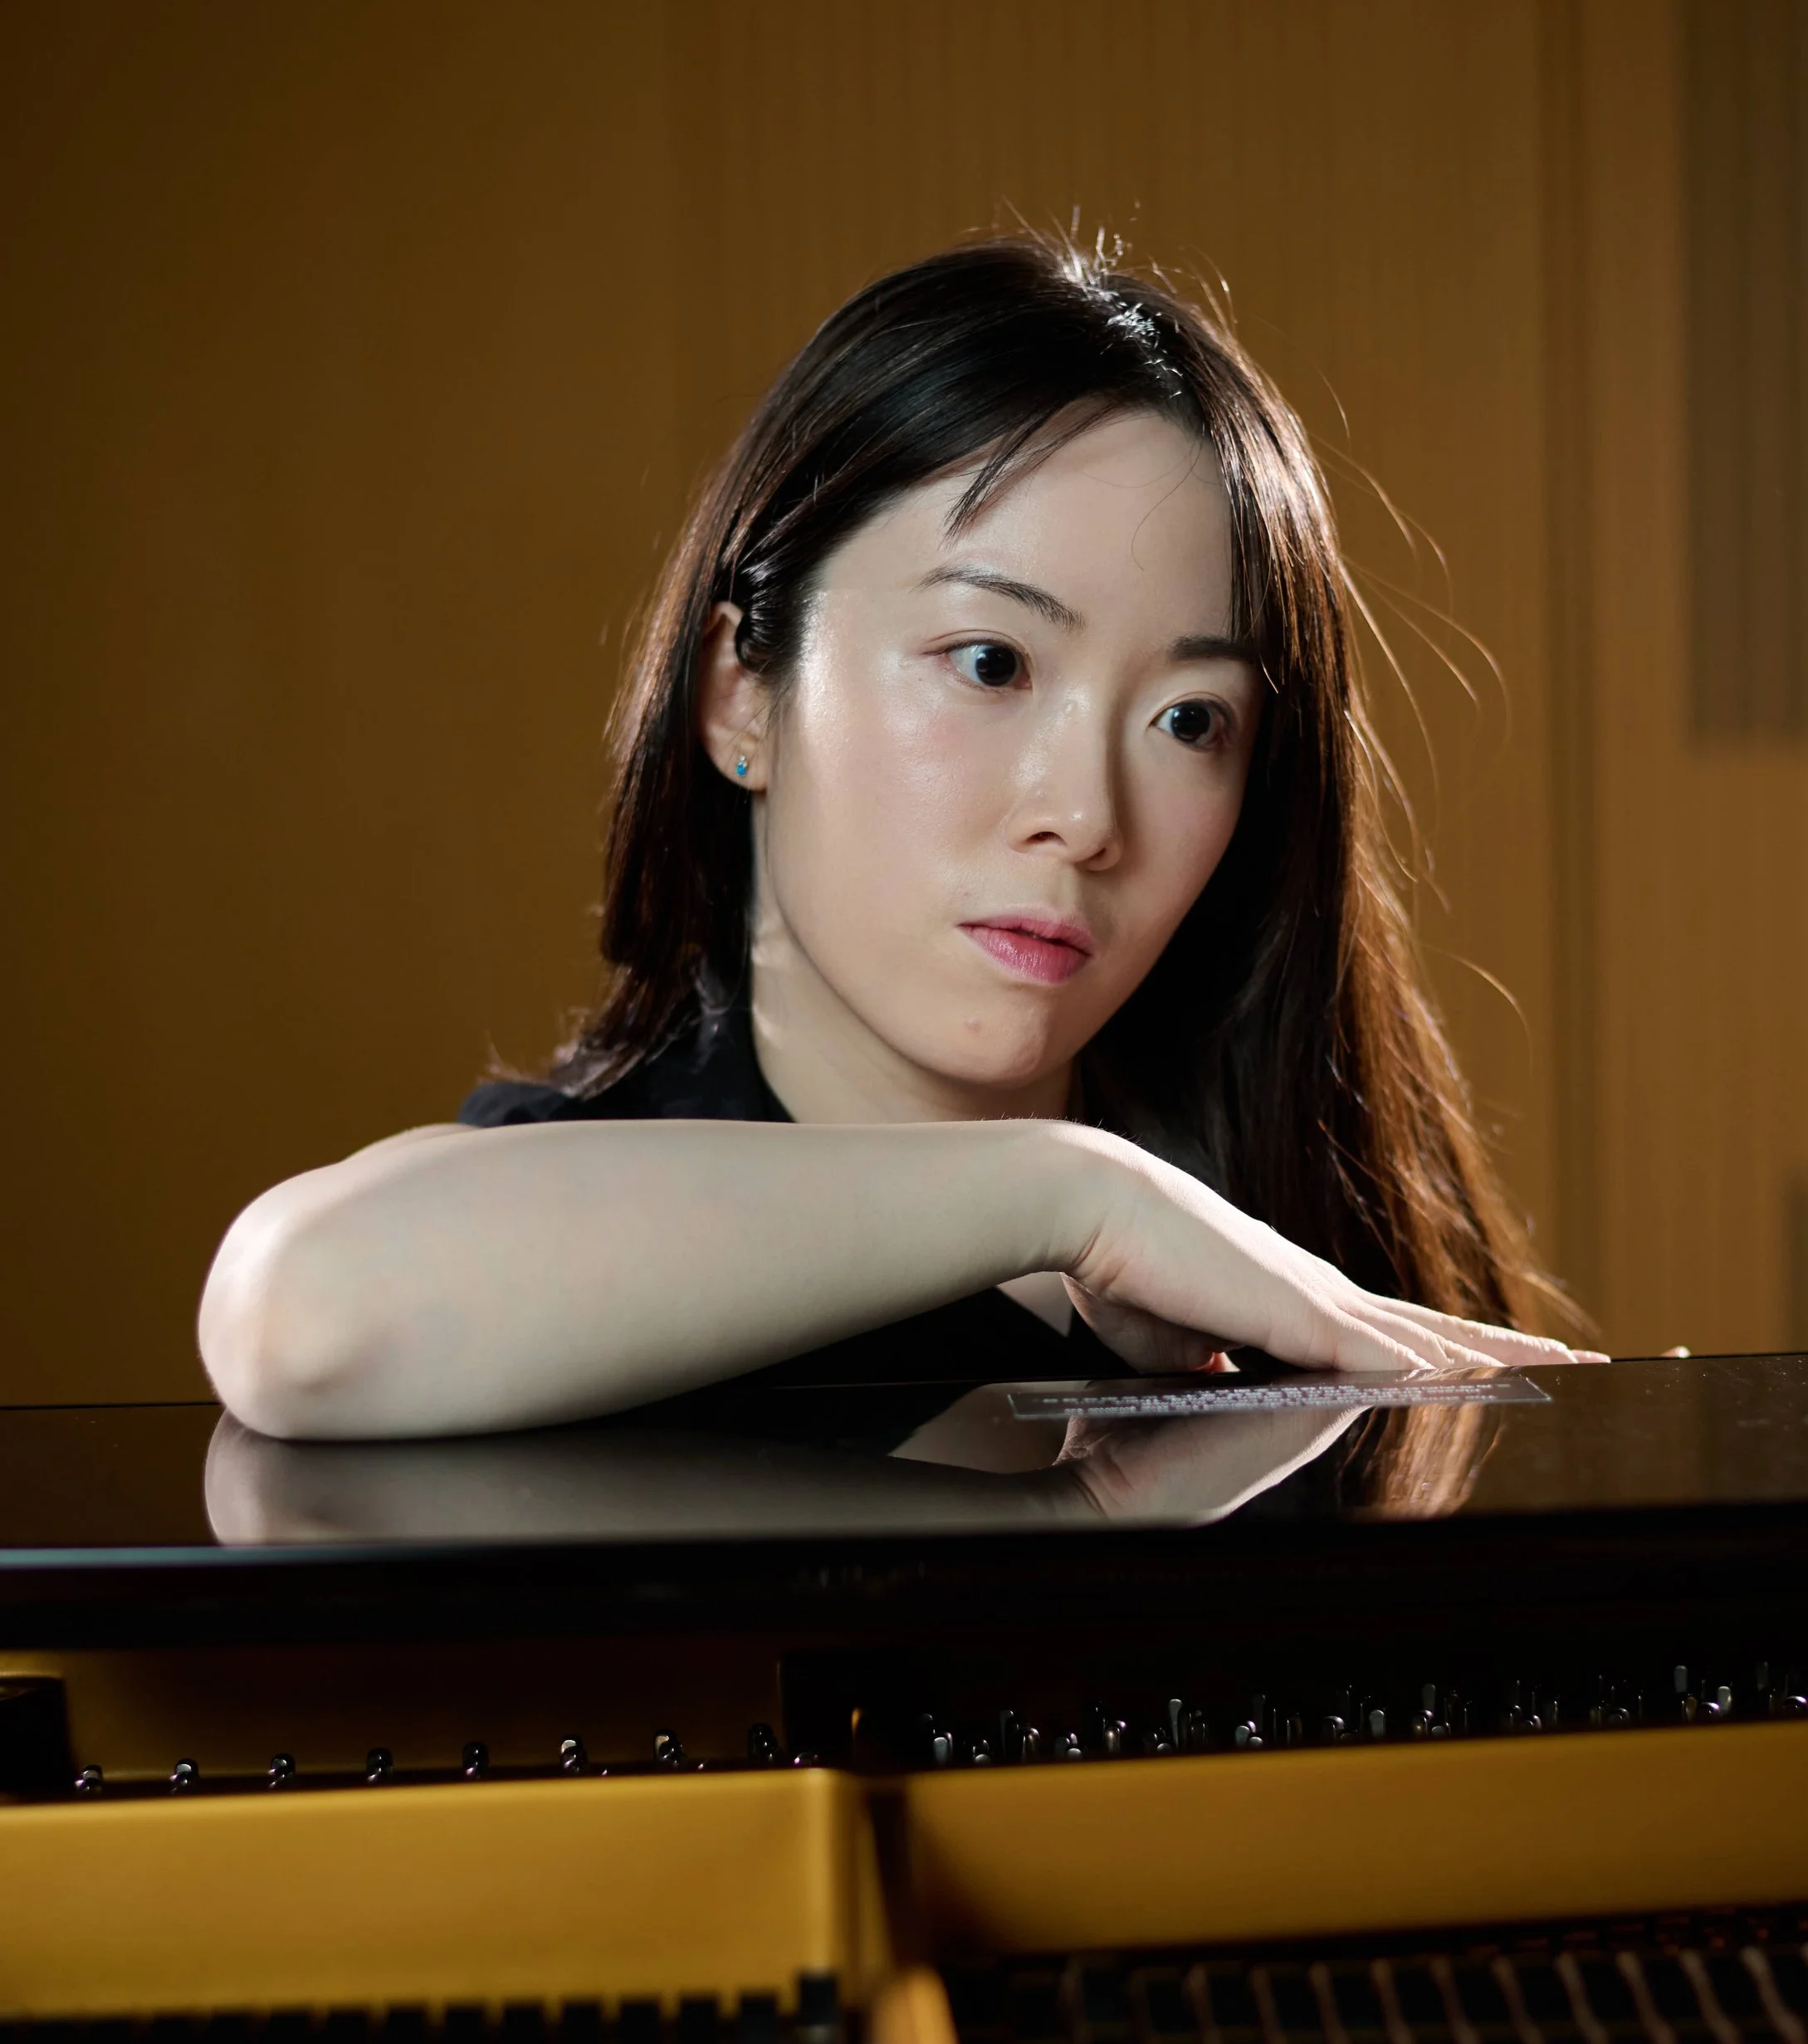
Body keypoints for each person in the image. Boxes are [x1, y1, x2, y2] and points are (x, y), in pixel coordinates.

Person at [200, 237, 1595, 1441]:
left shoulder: (1299, 1231)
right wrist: (1063, 1192)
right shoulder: (523, 1233)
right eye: (990, 662)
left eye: (1189, 721)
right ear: (739, 692)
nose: (1086, 817)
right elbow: (300, 1313)